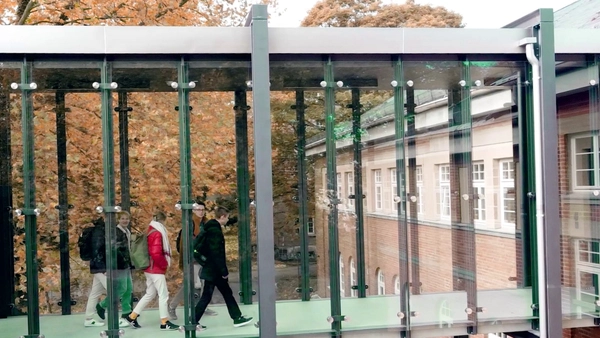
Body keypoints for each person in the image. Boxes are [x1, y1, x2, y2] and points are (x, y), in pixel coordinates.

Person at [194, 206, 252, 330]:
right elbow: (217, 253)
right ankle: (236, 318)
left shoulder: (209, 228)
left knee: (220, 294)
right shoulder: (215, 231)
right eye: (227, 217)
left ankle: (237, 317)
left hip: (211, 269)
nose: (228, 219)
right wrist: (223, 271)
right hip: (215, 270)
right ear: (222, 217)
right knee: (218, 294)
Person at [124, 211, 179, 330]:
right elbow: (155, 253)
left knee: (150, 294)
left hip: (148, 268)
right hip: (156, 269)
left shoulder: (149, 230)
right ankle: (164, 322)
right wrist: (164, 264)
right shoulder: (158, 233)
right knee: (164, 294)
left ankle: (132, 316)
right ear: (163, 220)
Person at [168, 201, 217, 320]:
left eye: (202, 210)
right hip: (193, 259)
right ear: (193, 211)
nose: (201, 212)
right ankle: (172, 306)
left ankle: (200, 307)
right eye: (198, 209)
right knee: (189, 285)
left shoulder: (205, 223)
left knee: (203, 284)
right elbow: (188, 243)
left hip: (204, 259)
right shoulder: (190, 224)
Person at [95, 210, 134, 328]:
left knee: (129, 289)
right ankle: (102, 305)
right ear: (118, 220)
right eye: (122, 218)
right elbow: (115, 250)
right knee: (122, 289)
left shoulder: (126, 231)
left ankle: (126, 312)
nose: (125, 220)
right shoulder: (116, 232)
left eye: (126, 218)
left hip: (126, 264)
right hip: (119, 265)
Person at [83, 217, 107, 327]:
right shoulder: (100, 231)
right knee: (114, 290)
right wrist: (104, 268)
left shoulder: (99, 230)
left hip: (96, 266)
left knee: (95, 292)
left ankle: (89, 318)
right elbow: (98, 250)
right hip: (100, 267)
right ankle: (112, 316)